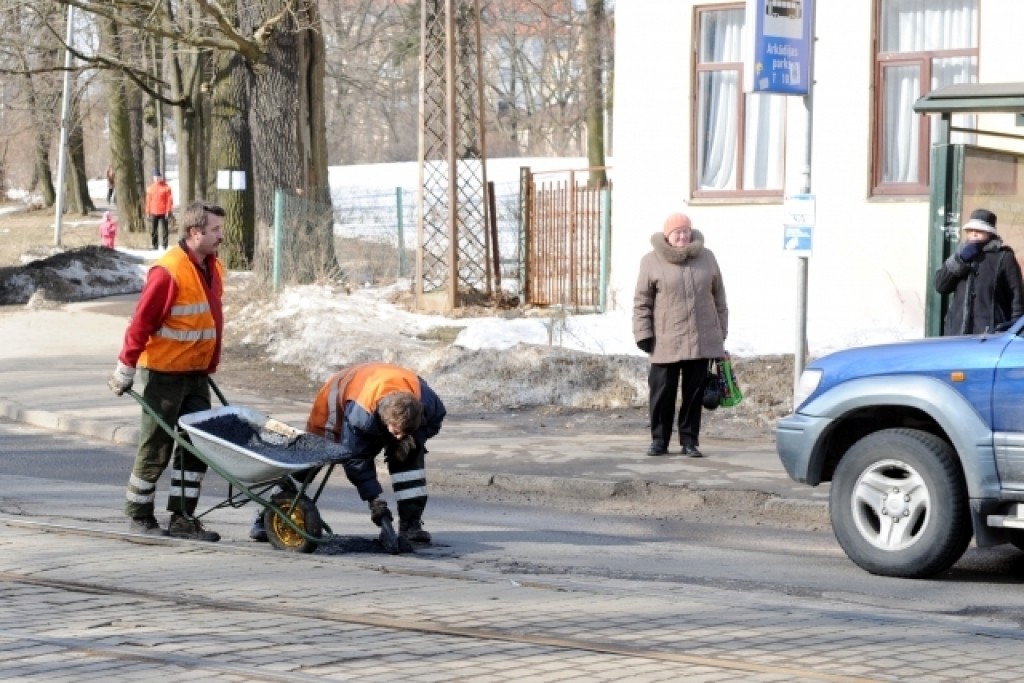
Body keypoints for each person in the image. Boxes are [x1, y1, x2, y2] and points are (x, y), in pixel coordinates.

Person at [107, 201, 227, 541]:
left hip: (197, 375)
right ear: (195, 232)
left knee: (197, 445)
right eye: (215, 230)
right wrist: (125, 368)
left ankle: (182, 518)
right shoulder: (168, 272)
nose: (222, 236)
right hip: (164, 376)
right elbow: (141, 324)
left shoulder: (212, 267)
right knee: (157, 445)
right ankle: (139, 513)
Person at [250, 362, 446, 544]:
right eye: (396, 432)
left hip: (382, 383)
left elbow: (433, 424)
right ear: (385, 421)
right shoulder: (361, 416)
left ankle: (410, 525)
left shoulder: (429, 405)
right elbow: (356, 459)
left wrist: (411, 439)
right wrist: (374, 500)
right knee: (310, 458)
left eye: (405, 431)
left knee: (410, 452)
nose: (398, 437)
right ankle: (266, 516)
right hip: (338, 399)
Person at [632, 212, 728, 458]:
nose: (683, 236)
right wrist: (643, 333)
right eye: (677, 232)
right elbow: (642, 302)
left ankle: (689, 442)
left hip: (701, 339)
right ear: (667, 235)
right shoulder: (651, 261)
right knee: (662, 393)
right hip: (665, 339)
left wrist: (721, 331)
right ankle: (659, 441)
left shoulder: (707, 258)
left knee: (694, 395)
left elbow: (719, 298)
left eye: (686, 231)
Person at [935, 208, 1024, 336]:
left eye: (979, 231)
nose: (974, 234)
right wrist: (960, 260)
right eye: (970, 231)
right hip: (957, 334)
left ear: (990, 233)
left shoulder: (1003, 257)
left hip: (991, 335)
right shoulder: (960, 254)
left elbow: (1017, 299)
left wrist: (1014, 334)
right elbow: (940, 286)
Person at [145, 169, 174, 250]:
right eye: (155, 177)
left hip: (164, 212)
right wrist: (147, 211)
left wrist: (168, 211)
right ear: (153, 178)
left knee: (165, 229)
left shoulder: (166, 187)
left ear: (161, 177)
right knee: (154, 229)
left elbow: (169, 200)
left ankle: (165, 245)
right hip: (153, 211)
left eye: (158, 177)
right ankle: (155, 245)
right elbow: (148, 201)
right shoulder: (150, 188)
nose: (157, 178)